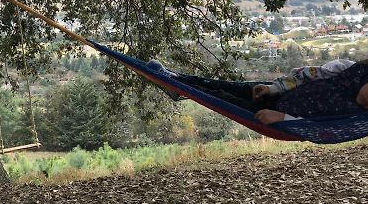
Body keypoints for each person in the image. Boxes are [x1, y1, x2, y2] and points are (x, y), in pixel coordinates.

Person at [147, 59, 368, 124]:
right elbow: (306, 75)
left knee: (223, 98)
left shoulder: (355, 119)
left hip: (276, 116)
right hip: (277, 93)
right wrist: (273, 88)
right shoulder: (350, 69)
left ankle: (176, 85)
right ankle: (176, 79)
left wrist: (284, 119)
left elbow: (320, 129)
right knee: (225, 86)